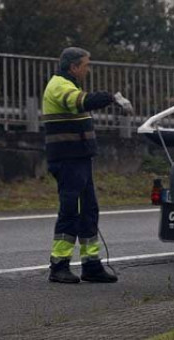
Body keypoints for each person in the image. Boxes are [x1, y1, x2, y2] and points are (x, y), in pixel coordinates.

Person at [44, 47, 132, 284]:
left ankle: (91, 264)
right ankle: (59, 265)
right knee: (71, 210)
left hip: (79, 159)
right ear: (73, 67)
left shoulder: (68, 84)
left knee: (89, 210)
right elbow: (81, 102)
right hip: (68, 160)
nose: (88, 69)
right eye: (85, 64)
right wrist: (110, 97)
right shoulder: (59, 86)